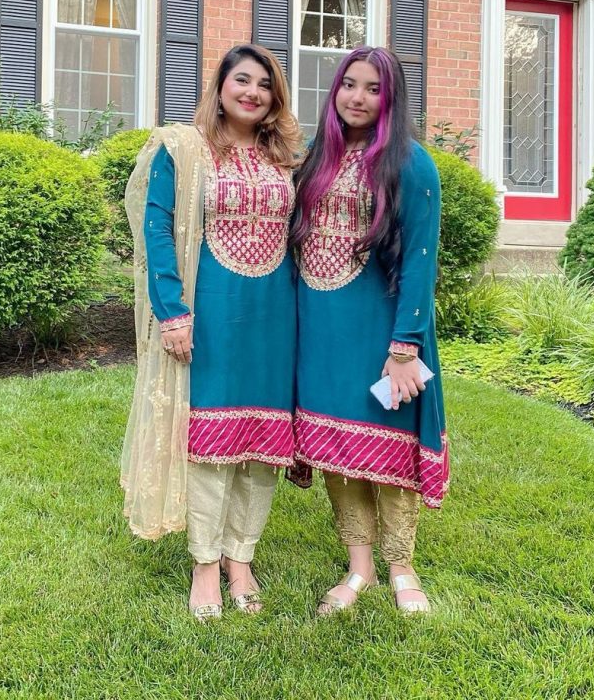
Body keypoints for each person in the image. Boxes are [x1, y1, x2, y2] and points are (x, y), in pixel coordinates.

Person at [121, 44, 301, 620]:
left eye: (264, 84)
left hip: (275, 314)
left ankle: (240, 556)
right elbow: (157, 230)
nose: (251, 92)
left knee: (264, 440)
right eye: (241, 80)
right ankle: (205, 562)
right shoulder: (184, 148)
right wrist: (172, 311)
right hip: (212, 310)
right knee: (210, 439)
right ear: (220, 87)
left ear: (275, 97)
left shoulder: (287, 159)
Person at [290, 45, 448, 616]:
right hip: (320, 329)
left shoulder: (410, 163)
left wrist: (404, 346)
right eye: (349, 85)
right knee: (336, 446)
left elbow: (419, 261)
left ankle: (402, 566)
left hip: (381, 330)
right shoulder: (317, 156)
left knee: (387, 449)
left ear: (391, 98)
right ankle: (359, 568)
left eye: (373, 88)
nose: (358, 97)